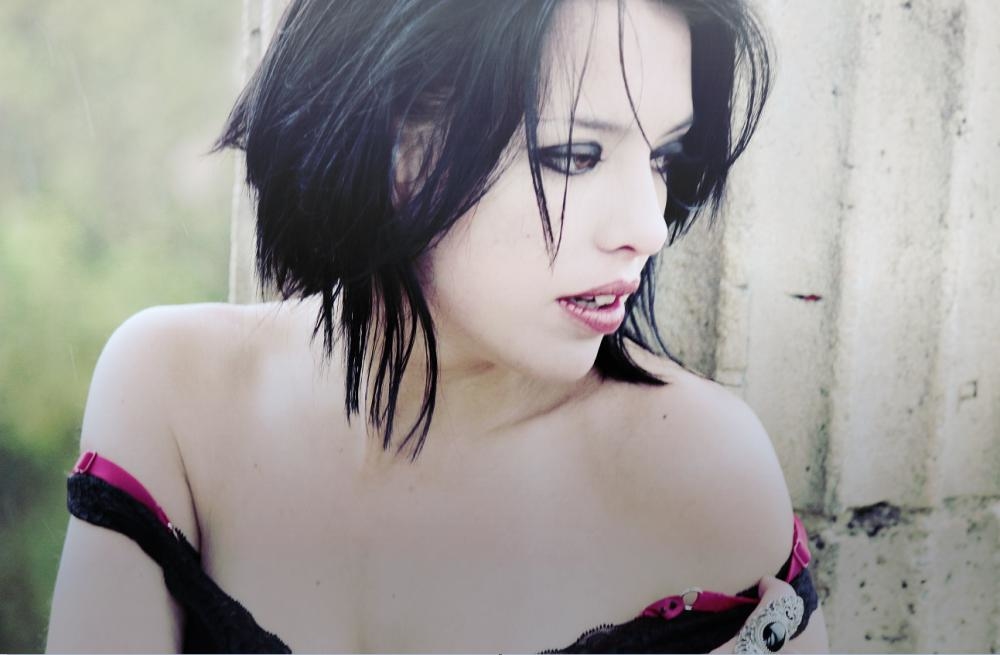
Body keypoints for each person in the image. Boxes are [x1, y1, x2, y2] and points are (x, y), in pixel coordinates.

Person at [46, 0, 830, 652]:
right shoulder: (174, 392)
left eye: (663, 157)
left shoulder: (701, 475)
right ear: (391, 140)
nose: (647, 227)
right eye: (575, 155)